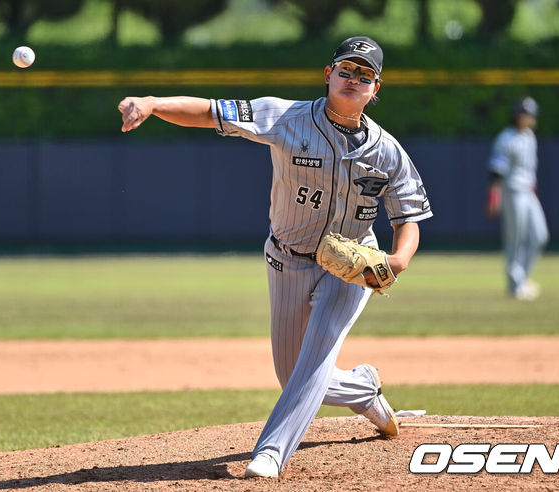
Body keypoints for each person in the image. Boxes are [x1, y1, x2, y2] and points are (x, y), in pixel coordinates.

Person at [118, 36, 432, 478]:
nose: (353, 80)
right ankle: (364, 388)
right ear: (329, 74)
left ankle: (270, 452)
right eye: (346, 70)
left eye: (365, 76)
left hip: (351, 269)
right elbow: (211, 113)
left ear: (376, 88)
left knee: (318, 350)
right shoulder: (286, 117)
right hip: (288, 260)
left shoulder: (387, 151)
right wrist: (152, 102)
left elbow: (409, 218)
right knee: (294, 373)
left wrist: (396, 261)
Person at [486, 97, 549, 300]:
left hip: (528, 192)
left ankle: (522, 277)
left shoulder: (530, 136)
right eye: (524, 113)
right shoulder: (507, 138)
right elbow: (496, 171)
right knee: (516, 239)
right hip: (512, 191)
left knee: (540, 235)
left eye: (529, 114)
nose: (527, 118)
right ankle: (515, 284)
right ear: (516, 115)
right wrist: (494, 197)